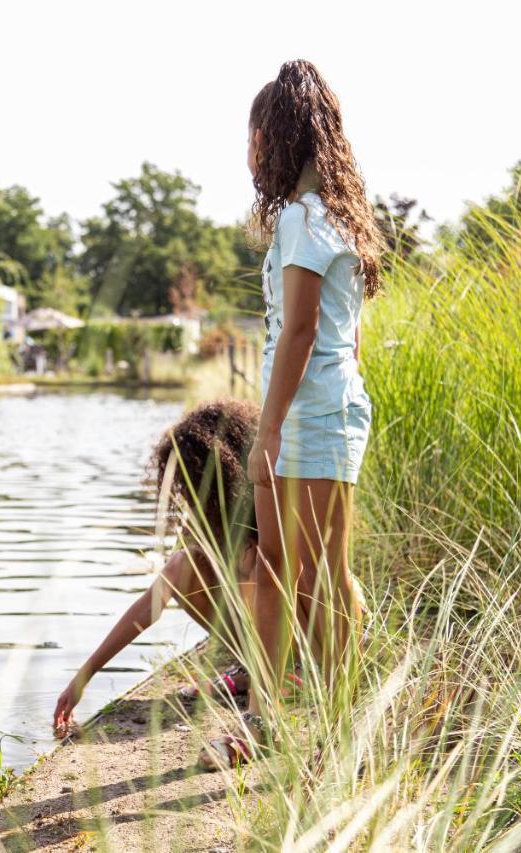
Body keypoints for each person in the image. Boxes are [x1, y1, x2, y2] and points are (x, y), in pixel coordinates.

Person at [207, 59, 383, 768]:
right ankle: (261, 719)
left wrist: (269, 427)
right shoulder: (311, 218)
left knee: (327, 574)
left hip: (313, 420)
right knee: (275, 564)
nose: (247, 151)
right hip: (311, 411)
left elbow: (304, 332)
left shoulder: (311, 221)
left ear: (274, 135)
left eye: (252, 134)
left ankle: (345, 734)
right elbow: (346, 332)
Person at [52, 399, 271, 737]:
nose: (184, 493)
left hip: (297, 634)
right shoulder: (206, 522)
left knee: (254, 564)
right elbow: (150, 604)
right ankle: (250, 668)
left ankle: (275, 677)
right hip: (256, 638)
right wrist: (85, 675)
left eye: (191, 481)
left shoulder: (266, 498)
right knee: (185, 565)